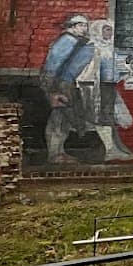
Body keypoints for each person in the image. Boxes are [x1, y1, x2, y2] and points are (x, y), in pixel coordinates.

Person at [41, 13, 96, 164]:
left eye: (85, 25)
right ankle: (55, 154)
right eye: (81, 25)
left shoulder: (77, 41)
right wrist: (53, 89)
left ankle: (59, 152)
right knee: (58, 117)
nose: (84, 28)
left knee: (63, 117)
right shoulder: (67, 41)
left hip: (67, 83)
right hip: (60, 83)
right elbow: (53, 65)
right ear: (72, 26)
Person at [89, 18, 133, 161]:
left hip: (110, 85)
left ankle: (116, 148)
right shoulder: (93, 47)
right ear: (98, 31)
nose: (110, 32)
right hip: (99, 86)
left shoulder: (111, 47)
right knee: (104, 116)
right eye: (106, 29)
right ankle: (111, 150)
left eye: (110, 29)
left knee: (112, 116)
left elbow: (119, 66)